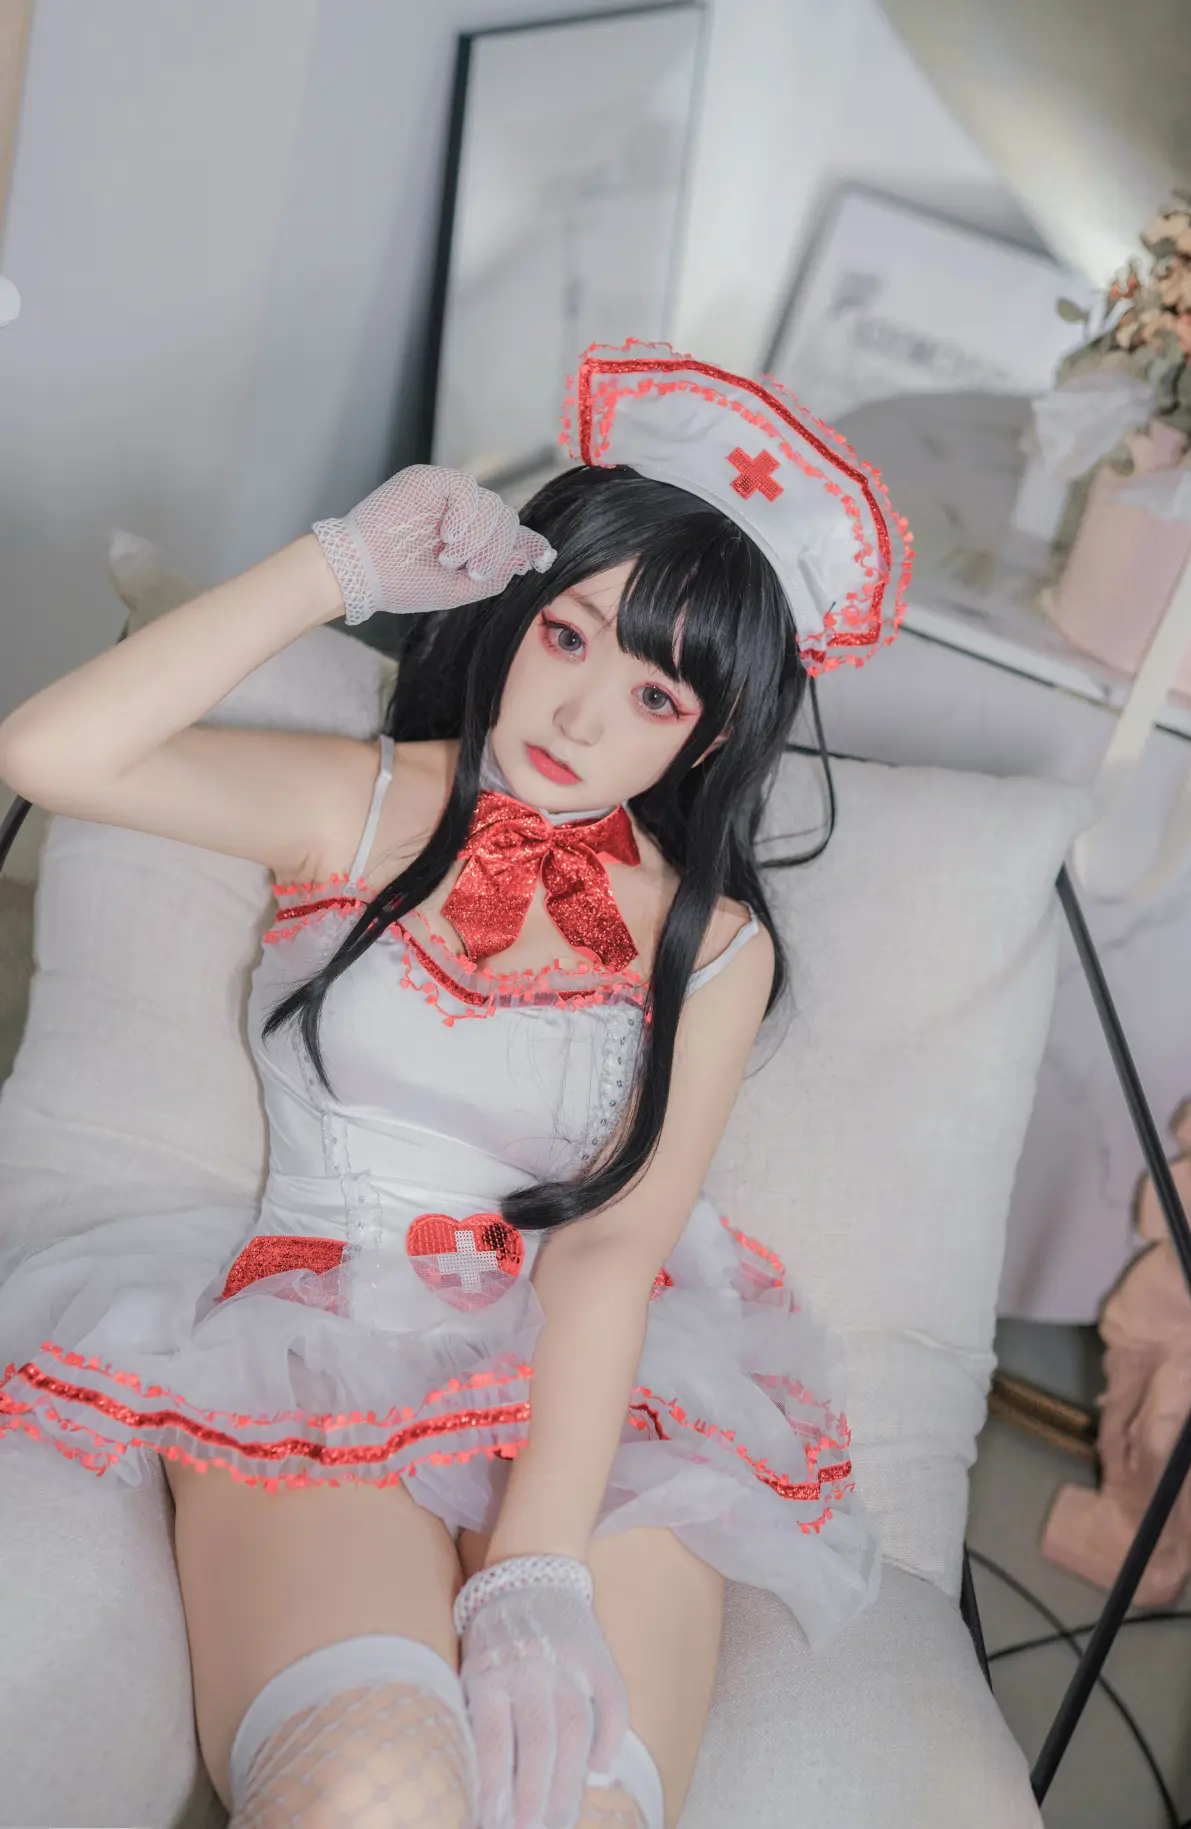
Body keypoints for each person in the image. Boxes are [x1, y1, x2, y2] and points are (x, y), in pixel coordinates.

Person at [0, 340, 912, 1829]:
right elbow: (48, 750)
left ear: (714, 734)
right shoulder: (364, 807)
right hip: (318, 1339)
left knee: (567, 1812)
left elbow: (612, 1248)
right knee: (372, 1793)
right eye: (569, 636)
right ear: (512, 611)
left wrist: (537, 1568)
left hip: (599, 1395)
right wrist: (339, 566)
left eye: (656, 695)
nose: (582, 719)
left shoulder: (716, 945)